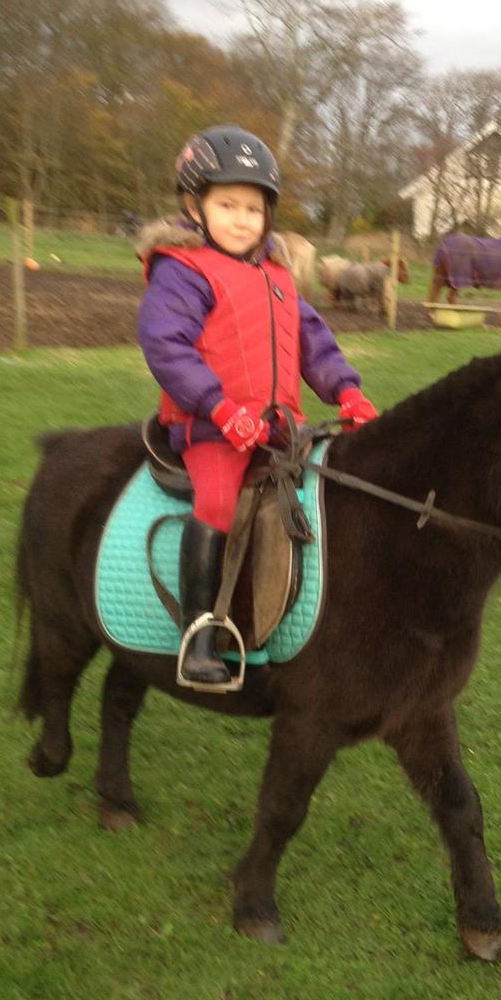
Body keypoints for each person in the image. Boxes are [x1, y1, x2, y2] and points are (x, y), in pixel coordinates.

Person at [137, 125, 378, 689]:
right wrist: (220, 409)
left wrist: (346, 390)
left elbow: (311, 341)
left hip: (277, 427)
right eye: (228, 205)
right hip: (210, 427)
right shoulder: (182, 271)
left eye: (254, 207)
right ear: (194, 206)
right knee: (219, 501)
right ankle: (198, 634)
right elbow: (165, 345)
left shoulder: (277, 276)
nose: (243, 219)